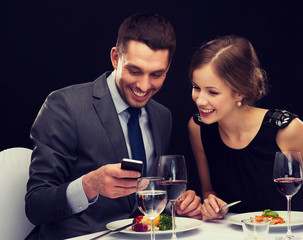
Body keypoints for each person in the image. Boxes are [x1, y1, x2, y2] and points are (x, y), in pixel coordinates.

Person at [25, 13, 201, 240]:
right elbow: (35, 205)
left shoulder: (162, 116)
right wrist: (89, 186)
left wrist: (175, 206)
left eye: (156, 74)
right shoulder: (65, 106)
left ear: (167, 69)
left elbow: (147, 198)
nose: (144, 86)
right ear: (116, 58)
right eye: (135, 71)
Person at [188, 35, 303, 221]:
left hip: (297, 232)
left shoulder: (286, 130)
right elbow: (209, 190)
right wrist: (211, 203)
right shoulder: (198, 128)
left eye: (212, 92)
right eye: (196, 87)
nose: (200, 100)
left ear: (239, 91)